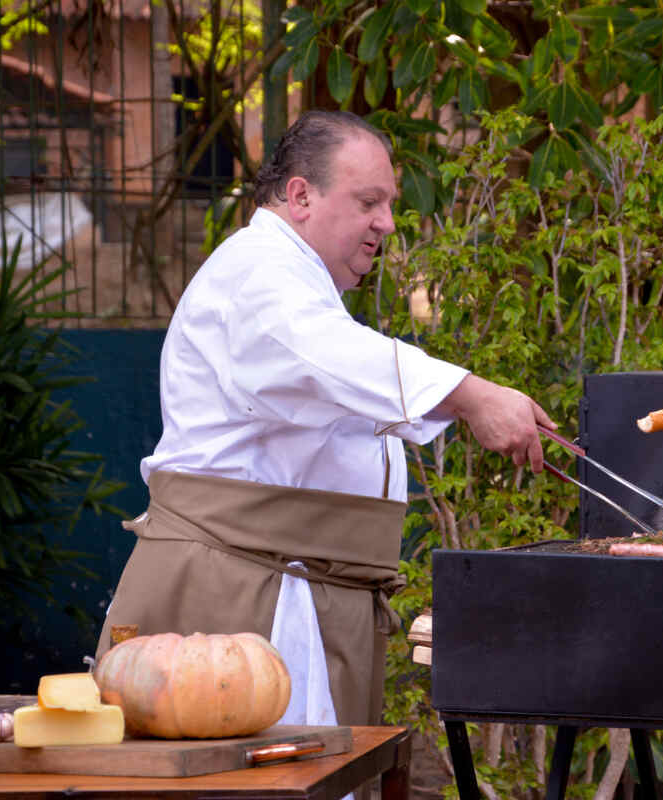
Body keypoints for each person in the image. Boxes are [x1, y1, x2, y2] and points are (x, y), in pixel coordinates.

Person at [96, 111, 555, 731]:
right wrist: (471, 395)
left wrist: (466, 397)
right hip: (236, 598)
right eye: (369, 201)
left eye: (389, 204)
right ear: (300, 195)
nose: (386, 224)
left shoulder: (293, 279)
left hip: (287, 586)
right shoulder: (259, 268)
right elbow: (325, 354)